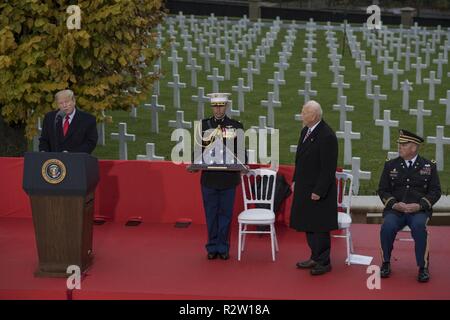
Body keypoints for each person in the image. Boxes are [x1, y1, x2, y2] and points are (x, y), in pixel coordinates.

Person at [378, 129, 441, 282]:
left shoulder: (428, 166)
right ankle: (386, 262)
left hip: (418, 211)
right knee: (387, 226)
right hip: (395, 211)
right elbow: (382, 190)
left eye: (403, 145)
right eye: (399, 144)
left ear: (414, 147)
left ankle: (423, 267)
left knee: (420, 227)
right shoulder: (390, 165)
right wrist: (394, 204)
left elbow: (435, 191)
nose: (399, 147)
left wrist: (420, 206)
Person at [189, 93, 244, 260]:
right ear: (212, 107)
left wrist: (242, 164)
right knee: (211, 214)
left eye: (221, 105)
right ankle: (212, 246)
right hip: (209, 179)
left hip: (228, 179)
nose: (218, 109)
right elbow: (197, 151)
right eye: (215, 106)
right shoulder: (204, 125)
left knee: (226, 215)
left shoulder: (236, 126)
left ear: (226, 106)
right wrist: (194, 164)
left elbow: (241, 151)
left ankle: (224, 247)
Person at [290, 100, 338, 276]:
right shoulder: (306, 131)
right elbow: (299, 160)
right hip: (304, 187)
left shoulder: (327, 136)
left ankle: (324, 261)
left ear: (315, 115)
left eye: (305, 112)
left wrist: (319, 191)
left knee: (319, 227)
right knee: (308, 224)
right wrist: (295, 180)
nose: (301, 115)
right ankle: (314, 256)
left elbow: (328, 168)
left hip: (319, 191)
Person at [39, 89, 98, 154]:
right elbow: (44, 139)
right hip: (54, 162)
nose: (64, 105)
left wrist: (71, 154)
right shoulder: (50, 118)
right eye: (61, 103)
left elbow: (90, 142)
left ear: (74, 101)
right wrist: (43, 152)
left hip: (77, 160)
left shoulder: (88, 119)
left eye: (67, 102)